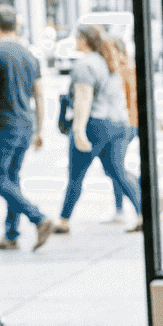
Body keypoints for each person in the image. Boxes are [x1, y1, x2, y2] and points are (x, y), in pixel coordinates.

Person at [52, 24, 142, 234]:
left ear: (84, 40)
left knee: (76, 175)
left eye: (77, 37)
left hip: (96, 124)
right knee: (117, 172)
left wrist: (78, 130)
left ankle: (64, 221)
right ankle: (141, 214)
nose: (74, 41)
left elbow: (84, 99)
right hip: (117, 123)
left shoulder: (85, 65)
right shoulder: (107, 60)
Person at [0, 5, 53, 251]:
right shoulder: (30, 54)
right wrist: (40, 130)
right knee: (11, 178)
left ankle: (38, 218)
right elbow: (40, 95)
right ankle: (11, 234)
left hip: (3, 125)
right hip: (25, 125)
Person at [101, 36, 140, 230]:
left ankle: (130, 203)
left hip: (126, 122)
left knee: (116, 168)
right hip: (129, 121)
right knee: (115, 167)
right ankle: (119, 209)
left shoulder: (123, 68)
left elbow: (127, 96)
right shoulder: (128, 65)